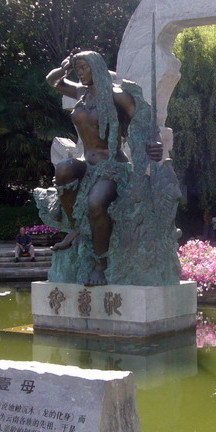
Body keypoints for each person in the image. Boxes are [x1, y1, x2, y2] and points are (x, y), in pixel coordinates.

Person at [44, 50, 163, 286]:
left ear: (97, 67)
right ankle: (77, 227)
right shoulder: (81, 94)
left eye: (84, 68)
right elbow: (53, 81)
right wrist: (65, 67)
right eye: (77, 69)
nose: (80, 73)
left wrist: (154, 141)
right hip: (87, 163)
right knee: (64, 168)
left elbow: (143, 119)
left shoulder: (117, 95)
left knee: (96, 203)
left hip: (112, 165)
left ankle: (101, 264)